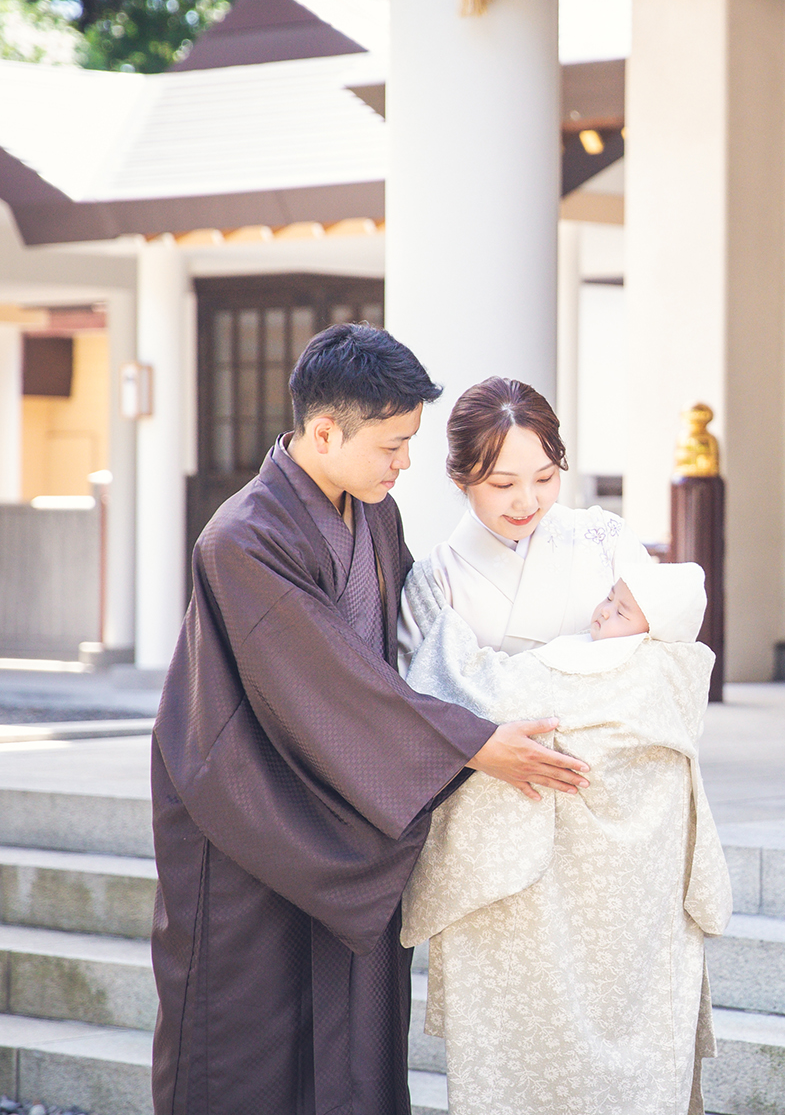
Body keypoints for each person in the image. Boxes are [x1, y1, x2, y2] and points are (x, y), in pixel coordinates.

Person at [150, 325, 595, 1115]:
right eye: (392, 445)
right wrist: (470, 744)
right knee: (249, 1044)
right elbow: (326, 677)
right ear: (325, 432)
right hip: (254, 811)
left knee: (352, 1042)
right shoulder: (243, 538)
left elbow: (416, 645)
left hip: (346, 804)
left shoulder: (373, 513)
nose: (406, 463)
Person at [397, 379, 729, 1115]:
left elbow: (665, 666)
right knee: (516, 1054)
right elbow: (427, 699)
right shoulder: (436, 579)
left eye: (544, 478)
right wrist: (493, 736)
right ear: (460, 479)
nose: (527, 500)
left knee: (633, 1038)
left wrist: (557, 708)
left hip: (623, 850)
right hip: (508, 844)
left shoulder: (605, 539)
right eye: (501, 482)